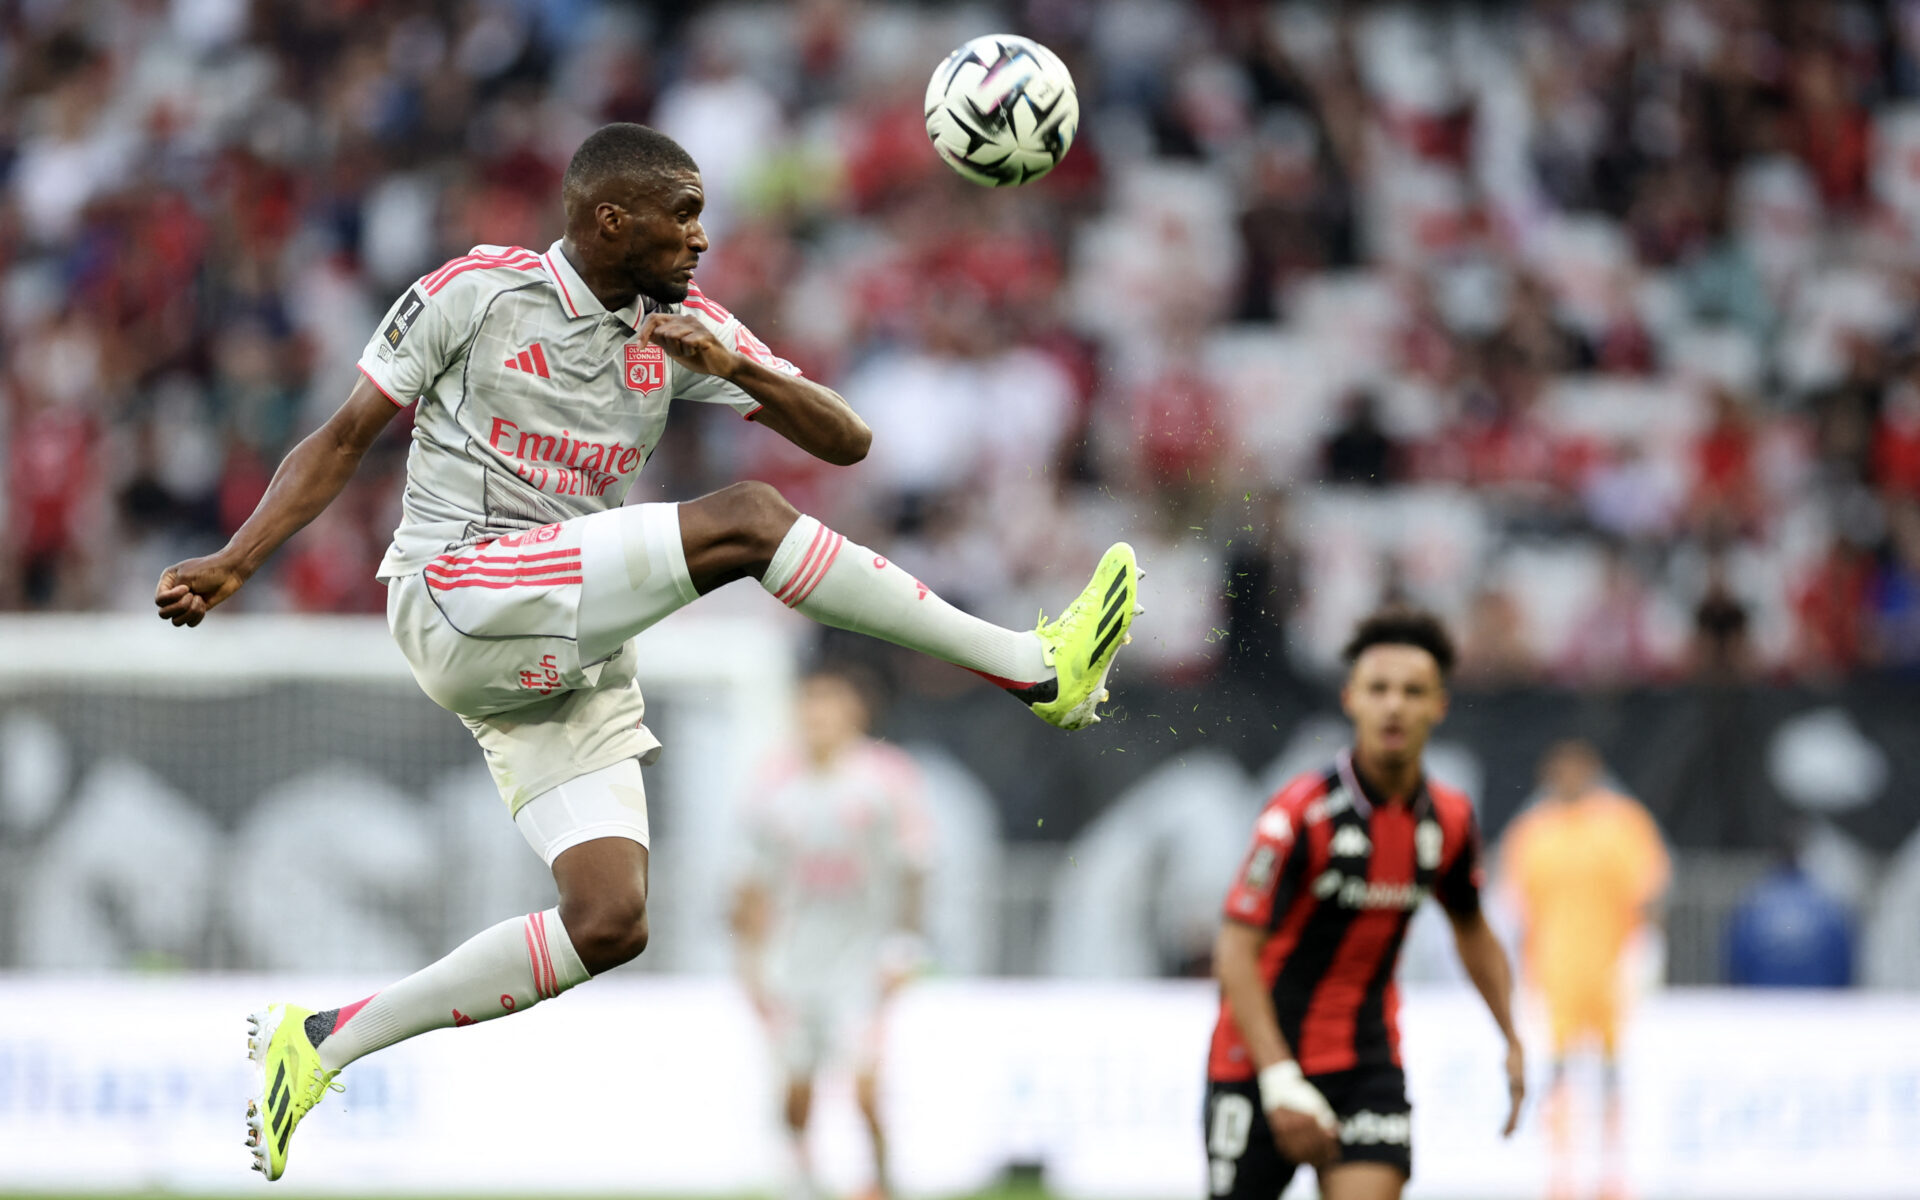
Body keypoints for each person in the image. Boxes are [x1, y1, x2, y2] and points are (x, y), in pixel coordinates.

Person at [153, 123, 1141, 1181]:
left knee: (610, 920)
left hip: (559, 646)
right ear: (612, 219)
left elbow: (848, 439)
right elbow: (343, 436)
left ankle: (320, 1043)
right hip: (459, 591)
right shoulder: (477, 293)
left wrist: (739, 371)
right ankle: (1032, 666)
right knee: (747, 520)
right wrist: (237, 560)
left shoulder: (686, 323)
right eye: (684, 214)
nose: (702, 238)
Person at [1205, 608, 1524, 1200]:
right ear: (1350, 700)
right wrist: (1278, 1079)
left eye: (1412, 691)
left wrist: (1511, 1036)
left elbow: (1473, 929)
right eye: (1379, 689)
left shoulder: (1449, 820)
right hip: (1257, 1063)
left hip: (1365, 1064)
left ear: (1439, 706)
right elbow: (1234, 951)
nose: (1394, 706)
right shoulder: (1300, 814)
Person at [732, 666, 931, 1200]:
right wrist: (749, 962)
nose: (815, 718)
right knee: (796, 1088)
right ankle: (803, 1179)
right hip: (791, 961)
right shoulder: (773, 784)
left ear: (854, 714)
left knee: (865, 1085)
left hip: (860, 961)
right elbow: (750, 881)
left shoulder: (886, 779)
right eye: (808, 706)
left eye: (827, 706)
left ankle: (882, 1182)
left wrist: (905, 947)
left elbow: (914, 870)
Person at [1500, 740, 1670, 1200]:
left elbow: (1648, 892)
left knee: (1612, 1071)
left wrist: (1646, 951)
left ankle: (1613, 1172)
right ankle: (1562, 1174)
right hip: (1554, 972)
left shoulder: (1622, 825)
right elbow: (1515, 907)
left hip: (1610, 969)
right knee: (1557, 1073)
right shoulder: (1533, 832)